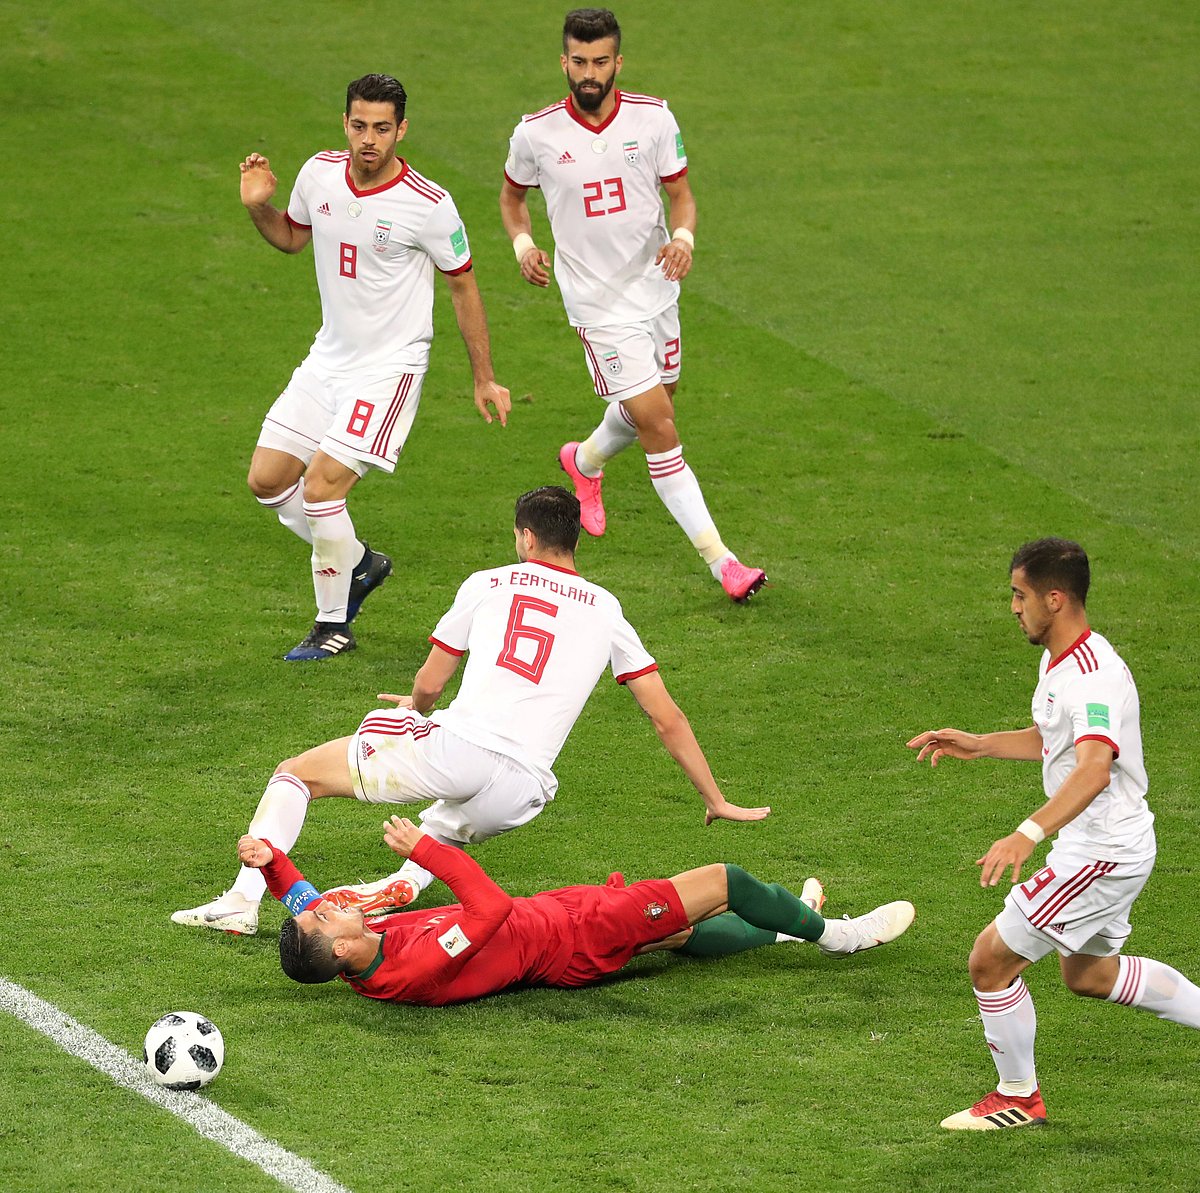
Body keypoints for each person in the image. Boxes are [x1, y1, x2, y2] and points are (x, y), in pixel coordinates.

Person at [172, 486, 770, 937]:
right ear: (573, 539)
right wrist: (714, 799)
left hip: (458, 749)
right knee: (440, 830)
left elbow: (433, 678)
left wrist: (414, 707)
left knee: (295, 772)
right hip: (526, 790)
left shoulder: (489, 582)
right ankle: (402, 885)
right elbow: (668, 718)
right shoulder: (607, 608)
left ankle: (242, 901)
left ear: (526, 537)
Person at [907, 538, 1200, 1130]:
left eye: (1020, 595)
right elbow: (1056, 742)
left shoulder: (1094, 678)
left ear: (1055, 598)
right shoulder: (1061, 660)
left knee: (990, 962)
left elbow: (1093, 768)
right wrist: (982, 744)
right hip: (1108, 843)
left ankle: (1018, 1097)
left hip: (1100, 852)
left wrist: (1026, 833)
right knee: (1089, 975)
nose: (1014, 607)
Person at [498, 9, 765, 603]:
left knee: (659, 401)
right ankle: (723, 563)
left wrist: (684, 238)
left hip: (657, 289)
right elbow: (512, 199)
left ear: (618, 62)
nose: (588, 74)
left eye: (600, 62)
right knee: (659, 426)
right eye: (578, 62)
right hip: (597, 304)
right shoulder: (535, 133)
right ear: (563, 62)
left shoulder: (653, 119)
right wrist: (523, 244)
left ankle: (585, 460)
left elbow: (681, 195)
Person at [243, 73, 511, 661]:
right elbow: (291, 239)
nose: (370, 139)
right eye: (360, 125)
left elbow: (463, 288)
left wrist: (483, 376)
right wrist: (259, 208)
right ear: (345, 123)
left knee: (319, 487)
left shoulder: (429, 205)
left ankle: (331, 623)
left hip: (390, 369)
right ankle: (358, 561)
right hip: (327, 359)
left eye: (382, 128)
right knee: (266, 481)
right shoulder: (317, 174)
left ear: (402, 130)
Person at [237, 816, 915, 1006]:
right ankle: (838, 936)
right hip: (575, 936)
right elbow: (490, 905)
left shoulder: (358, 948)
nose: (325, 907)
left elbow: (297, 896)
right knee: (724, 878)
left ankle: (781, 929)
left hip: (560, 926)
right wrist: (429, 849)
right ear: (340, 951)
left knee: (679, 931)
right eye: (324, 920)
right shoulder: (409, 969)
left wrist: (271, 859)